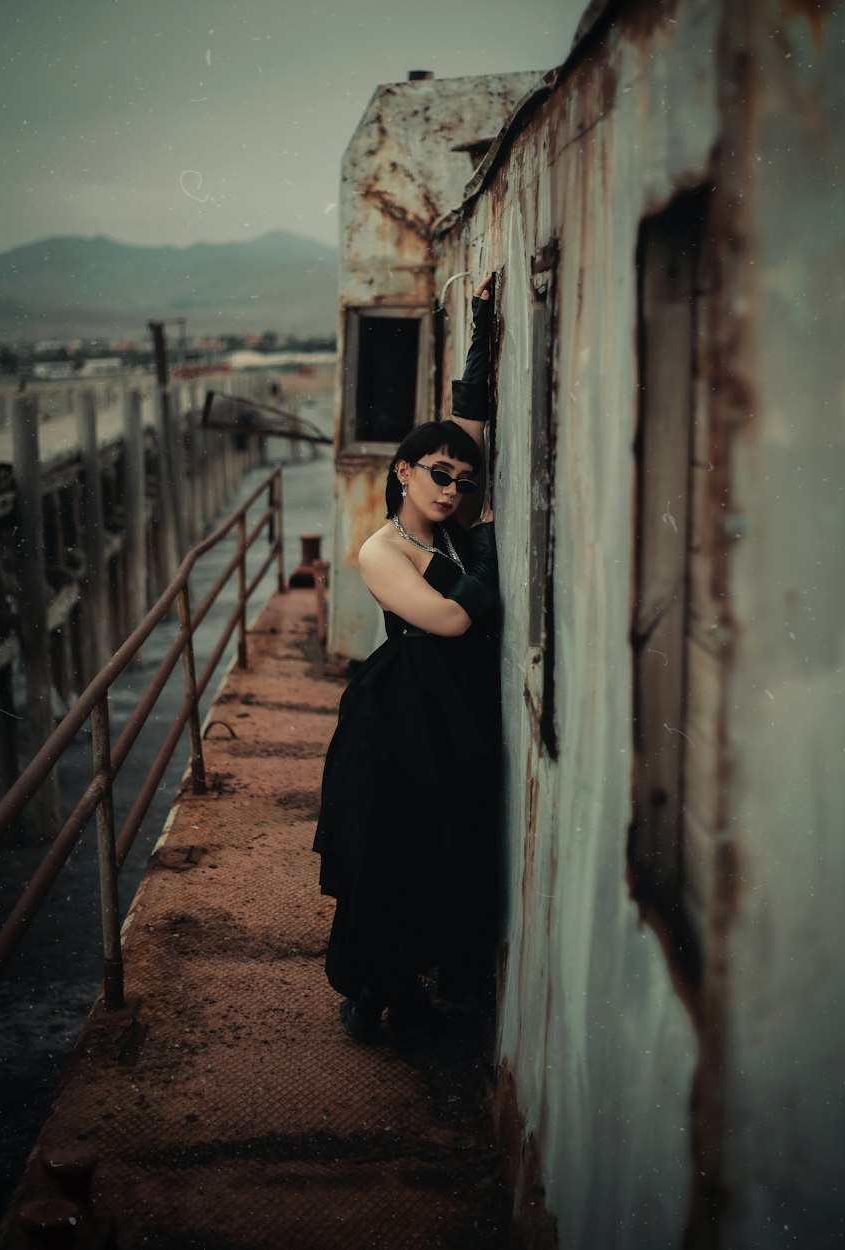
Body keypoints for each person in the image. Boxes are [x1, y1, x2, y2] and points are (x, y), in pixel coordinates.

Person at [313, 274, 500, 1044]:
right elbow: (453, 620)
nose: (453, 487)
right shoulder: (382, 549)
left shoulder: (447, 524)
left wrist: (483, 323)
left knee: (448, 851)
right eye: (437, 474)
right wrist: (488, 552)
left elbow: (469, 423)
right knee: (391, 856)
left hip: (450, 710)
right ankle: (373, 996)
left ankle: (415, 988)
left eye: (462, 479)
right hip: (400, 713)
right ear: (403, 472)